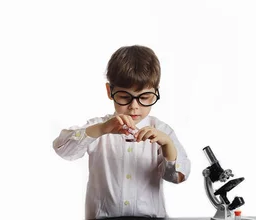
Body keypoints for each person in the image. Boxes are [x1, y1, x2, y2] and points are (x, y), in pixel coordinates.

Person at [52, 45, 191, 219]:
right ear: (110, 91)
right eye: (125, 97)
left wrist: (168, 146)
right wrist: (101, 129)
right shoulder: (99, 126)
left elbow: (177, 177)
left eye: (145, 97)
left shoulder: (162, 131)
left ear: (156, 92)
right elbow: (62, 149)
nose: (134, 106)